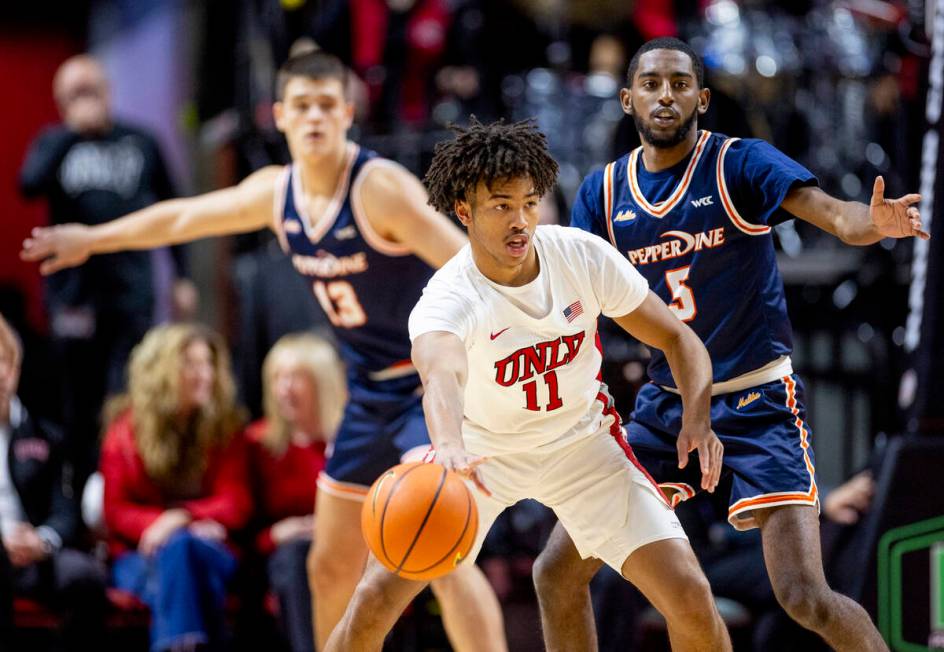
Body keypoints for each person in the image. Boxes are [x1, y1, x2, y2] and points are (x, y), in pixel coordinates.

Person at [21, 49, 506, 651]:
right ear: (279, 115)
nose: (314, 119)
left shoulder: (379, 188)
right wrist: (92, 238)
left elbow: (474, 271)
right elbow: (183, 220)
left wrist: (497, 363)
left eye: (327, 106)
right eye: (301, 106)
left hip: (425, 386)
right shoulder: (276, 194)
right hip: (366, 394)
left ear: (348, 113)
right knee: (328, 563)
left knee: (443, 556)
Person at [533, 37, 927, 652]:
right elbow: (569, 303)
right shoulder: (603, 193)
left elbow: (836, 215)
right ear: (627, 98)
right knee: (556, 570)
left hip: (756, 401)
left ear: (703, 98)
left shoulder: (738, 164)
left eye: (680, 84)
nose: (666, 95)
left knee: (803, 596)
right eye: (653, 84)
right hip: (664, 408)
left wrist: (872, 223)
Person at [324, 118, 731, 651]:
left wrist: (698, 418)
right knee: (374, 599)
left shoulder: (580, 256)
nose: (520, 221)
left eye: (530, 203)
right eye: (501, 206)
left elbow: (680, 340)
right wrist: (446, 446)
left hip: (584, 445)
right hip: (479, 454)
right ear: (464, 212)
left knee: (690, 596)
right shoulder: (446, 298)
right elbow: (439, 376)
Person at [18, 54, 196, 487]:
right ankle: (78, 496)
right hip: (74, 298)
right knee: (77, 404)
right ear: (61, 101)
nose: (86, 100)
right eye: (74, 94)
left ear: (108, 91)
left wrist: (182, 275)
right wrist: (70, 133)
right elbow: (28, 184)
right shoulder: (54, 142)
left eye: (92, 90)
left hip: (130, 293)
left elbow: (173, 208)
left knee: (126, 397)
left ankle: (120, 490)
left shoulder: (140, 141)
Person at [100, 323, 252, 651]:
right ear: (161, 372)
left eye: (208, 364)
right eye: (191, 365)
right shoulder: (125, 430)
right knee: (194, 579)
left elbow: (236, 502)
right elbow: (114, 511)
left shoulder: (225, 426)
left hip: (210, 550)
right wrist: (162, 528)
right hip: (140, 557)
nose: (205, 375)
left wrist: (179, 519)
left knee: (182, 550)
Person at [0, 313, 107, 651]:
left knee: (86, 575)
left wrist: (43, 540)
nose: (1, 374)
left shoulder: (45, 436)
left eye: (6, 362)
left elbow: (65, 508)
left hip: (33, 553)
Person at [246, 333, 345, 652]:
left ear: (323, 383)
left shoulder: (350, 443)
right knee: (298, 556)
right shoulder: (258, 444)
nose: (284, 388)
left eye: (296, 377)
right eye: (278, 377)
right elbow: (243, 526)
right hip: (281, 559)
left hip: (347, 549)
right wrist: (277, 533)